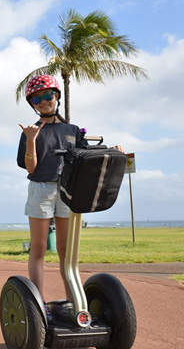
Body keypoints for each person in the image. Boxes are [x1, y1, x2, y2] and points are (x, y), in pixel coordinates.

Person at [17, 74, 123, 317]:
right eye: (37, 99)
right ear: (32, 104)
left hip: (67, 188)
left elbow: (88, 158)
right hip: (41, 188)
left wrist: (113, 150)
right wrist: (31, 140)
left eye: (48, 95)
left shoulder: (72, 130)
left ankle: (72, 301)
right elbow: (31, 168)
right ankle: (38, 305)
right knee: (39, 248)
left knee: (67, 251)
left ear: (57, 96)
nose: (44, 101)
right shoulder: (30, 131)